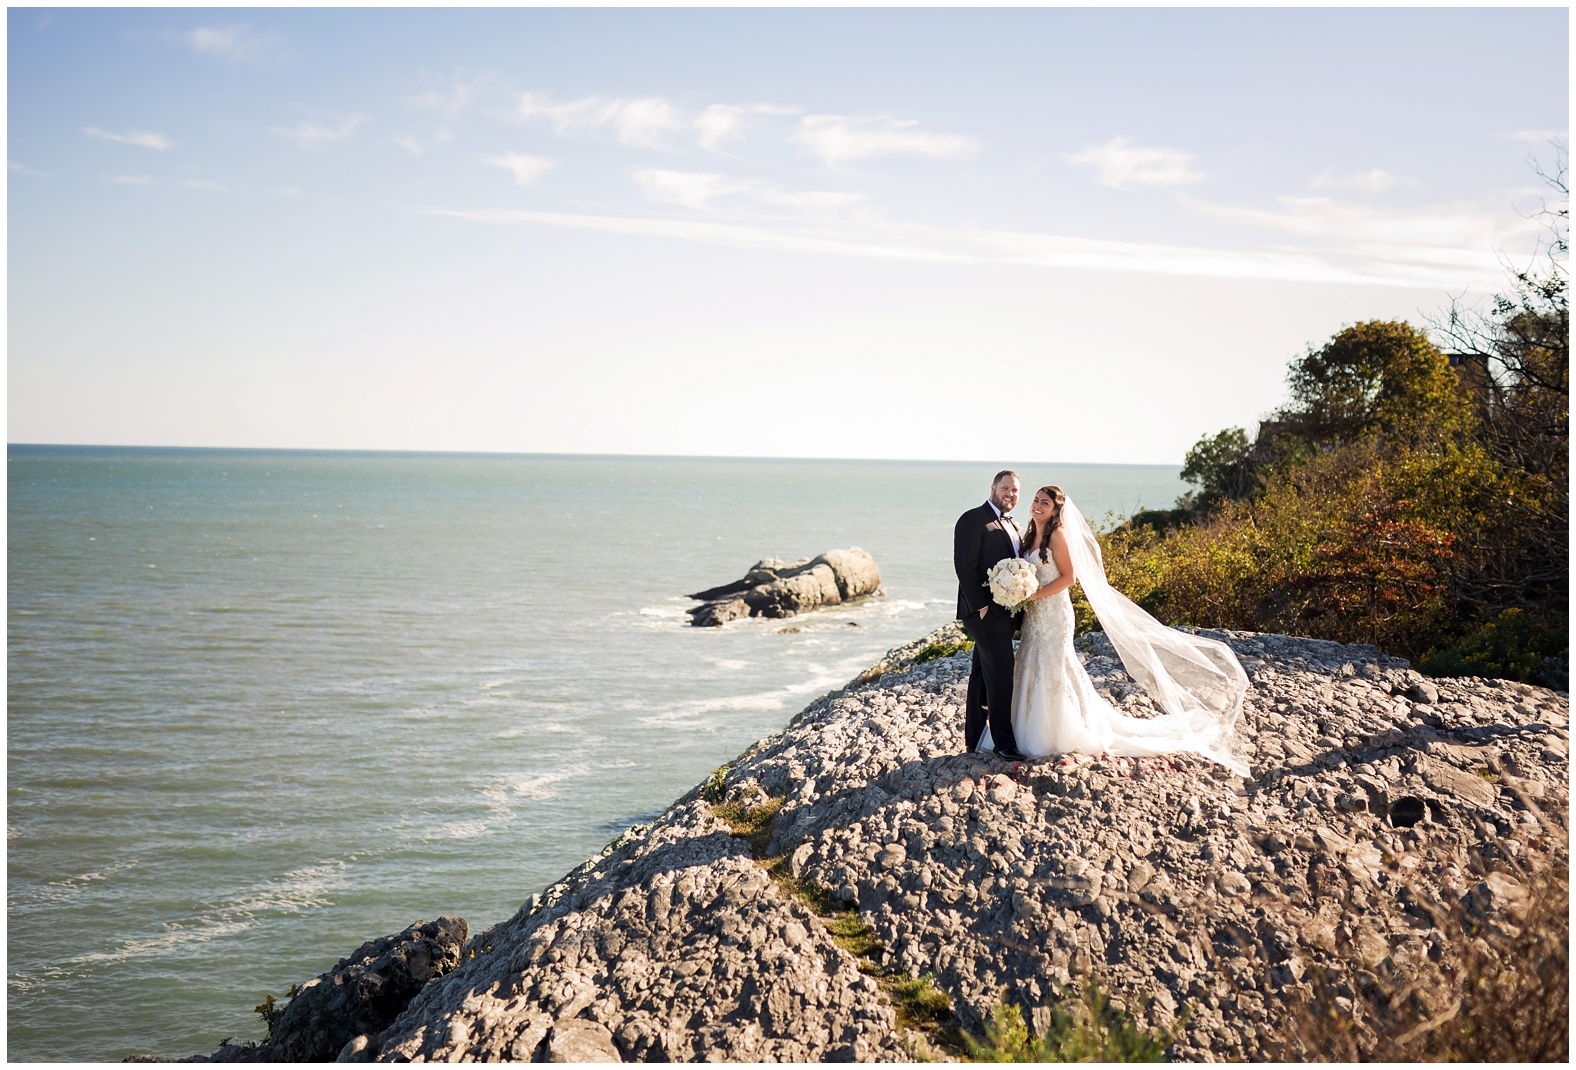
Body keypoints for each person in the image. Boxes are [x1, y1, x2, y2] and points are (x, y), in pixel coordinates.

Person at [1004, 484, 1251, 775]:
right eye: (1035, 500)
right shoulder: (1030, 534)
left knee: (1054, 666)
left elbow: (1069, 578)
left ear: (1056, 509)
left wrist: (1033, 594)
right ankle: (1023, 727)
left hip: (1054, 614)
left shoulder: (1057, 535)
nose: (1036, 505)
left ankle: (1058, 730)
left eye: (1044, 503)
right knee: (1030, 662)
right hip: (1035, 617)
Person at [952, 470, 1026, 760]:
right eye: (1005, 488)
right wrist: (981, 606)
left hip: (1004, 611)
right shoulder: (972, 518)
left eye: (1016, 490)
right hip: (982, 611)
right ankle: (1003, 743)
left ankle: (973, 739)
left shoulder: (1010, 524)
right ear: (993, 487)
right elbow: (964, 566)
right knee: (1001, 674)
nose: (1010, 493)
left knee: (982, 674)